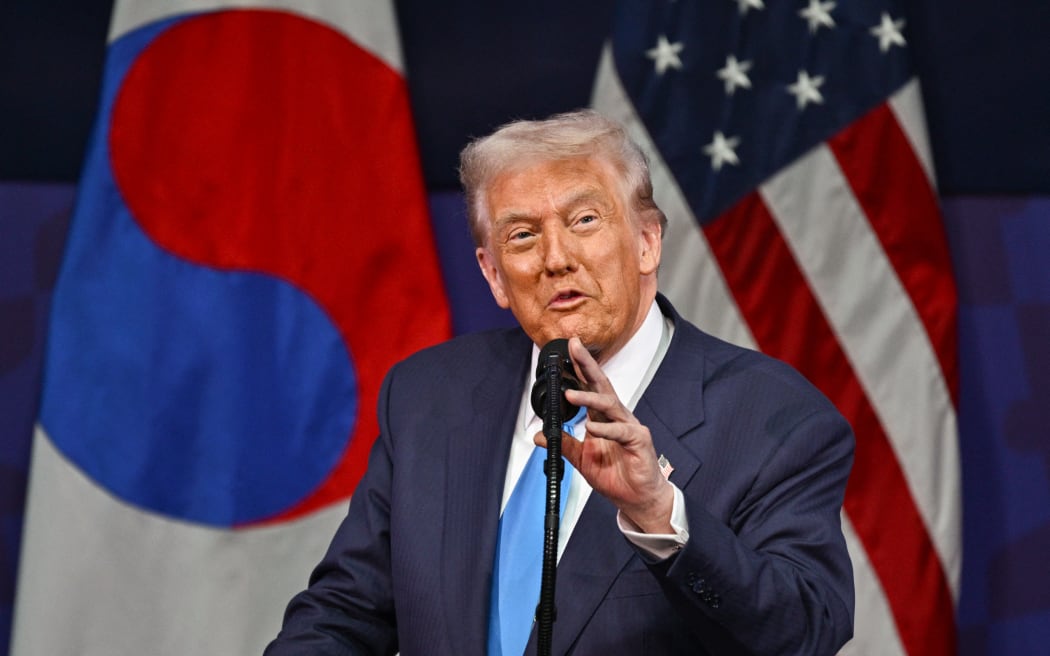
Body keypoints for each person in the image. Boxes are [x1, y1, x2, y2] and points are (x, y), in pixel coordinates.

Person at [265, 110, 854, 655]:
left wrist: (660, 515)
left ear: (647, 242)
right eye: (522, 235)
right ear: (494, 275)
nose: (556, 259)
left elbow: (805, 631)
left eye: (585, 220)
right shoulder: (428, 397)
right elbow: (344, 612)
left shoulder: (775, 418)